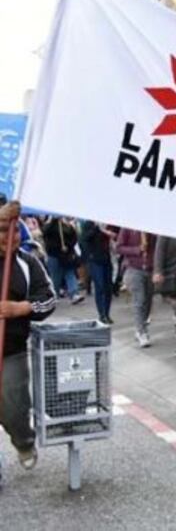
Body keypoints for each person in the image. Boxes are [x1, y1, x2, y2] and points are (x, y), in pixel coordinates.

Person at [0, 202, 56, 482]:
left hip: (11, 351)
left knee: (14, 408)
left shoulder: (28, 261)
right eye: (3, 230)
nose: (10, 236)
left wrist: (22, 308)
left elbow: (49, 299)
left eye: (15, 229)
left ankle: (23, 441)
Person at [116, 229, 155, 348]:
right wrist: (136, 249)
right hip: (133, 268)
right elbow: (119, 247)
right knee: (139, 300)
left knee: (148, 301)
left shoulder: (153, 228)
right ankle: (142, 332)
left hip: (150, 268)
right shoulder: (127, 228)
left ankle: (140, 327)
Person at [79, 220, 117, 325]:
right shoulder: (89, 224)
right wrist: (97, 229)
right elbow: (84, 239)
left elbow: (116, 236)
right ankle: (102, 314)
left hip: (107, 258)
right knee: (100, 287)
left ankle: (107, 313)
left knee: (108, 287)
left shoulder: (109, 224)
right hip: (95, 259)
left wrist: (111, 235)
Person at [41, 216, 83, 304]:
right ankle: (54, 294)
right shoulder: (49, 225)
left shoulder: (67, 225)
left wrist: (68, 246)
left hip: (67, 255)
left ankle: (74, 294)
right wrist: (53, 221)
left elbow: (73, 238)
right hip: (54, 255)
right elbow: (45, 233)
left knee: (70, 273)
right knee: (56, 277)